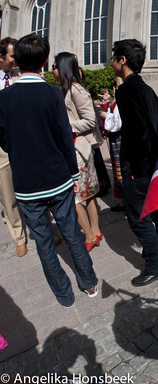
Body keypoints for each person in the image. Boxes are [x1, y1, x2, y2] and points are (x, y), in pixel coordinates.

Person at [0, 34, 99, 307]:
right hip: (57, 178)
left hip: (27, 183)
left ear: (17, 61)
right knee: (71, 233)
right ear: (45, 61)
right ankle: (88, 283)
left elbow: (4, 139)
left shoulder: (5, 97)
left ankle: (64, 294)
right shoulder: (52, 92)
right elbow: (63, 136)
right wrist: (74, 174)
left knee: (44, 242)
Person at [111, 39, 158, 286]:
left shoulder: (126, 91)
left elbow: (139, 133)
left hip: (139, 165)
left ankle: (153, 264)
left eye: (115, 58)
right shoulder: (146, 89)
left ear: (123, 61)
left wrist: (137, 170)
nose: (112, 62)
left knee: (138, 215)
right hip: (153, 162)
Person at [52, 52, 104, 252]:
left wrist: (67, 126)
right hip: (74, 150)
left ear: (64, 68)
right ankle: (95, 232)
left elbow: (91, 120)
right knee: (87, 195)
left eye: (55, 66)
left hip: (78, 150)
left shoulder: (76, 90)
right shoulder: (64, 89)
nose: (53, 70)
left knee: (74, 198)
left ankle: (91, 234)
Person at [0, 36, 27, 257]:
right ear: (1, 57)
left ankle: (43, 229)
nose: (16, 59)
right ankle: (19, 236)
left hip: (24, 141)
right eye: (12, 55)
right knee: (8, 194)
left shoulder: (23, 76)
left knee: (34, 188)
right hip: (2, 147)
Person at [99, 88, 125, 211]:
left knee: (121, 169)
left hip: (120, 137)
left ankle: (125, 200)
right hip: (116, 138)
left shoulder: (122, 102)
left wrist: (106, 116)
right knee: (118, 169)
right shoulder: (116, 102)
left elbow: (118, 122)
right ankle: (123, 199)